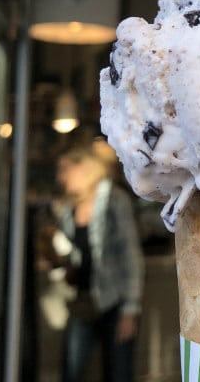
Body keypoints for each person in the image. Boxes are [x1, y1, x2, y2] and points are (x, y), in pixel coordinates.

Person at [54, 143, 144, 382]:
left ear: (83, 168)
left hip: (114, 301)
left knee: (118, 372)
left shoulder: (115, 200)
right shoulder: (67, 207)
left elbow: (131, 256)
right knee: (71, 370)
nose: (59, 177)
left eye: (64, 169)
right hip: (83, 300)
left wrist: (130, 310)